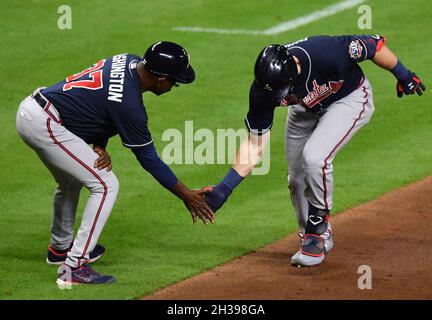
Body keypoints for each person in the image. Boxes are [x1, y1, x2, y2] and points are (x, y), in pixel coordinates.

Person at [203, 35, 425, 267]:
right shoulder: (263, 92)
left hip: (348, 100)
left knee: (315, 158)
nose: (282, 98)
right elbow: (255, 146)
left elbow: (373, 46)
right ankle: (314, 239)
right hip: (305, 111)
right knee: (296, 179)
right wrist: (224, 188)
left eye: (285, 91)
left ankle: (316, 230)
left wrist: (403, 74)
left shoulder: (327, 53)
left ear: (294, 73)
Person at [16, 41, 215, 287]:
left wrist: (99, 145)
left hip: (37, 111)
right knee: (106, 184)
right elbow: (149, 160)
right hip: (46, 123)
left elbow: (101, 104)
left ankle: (60, 249)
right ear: (161, 79)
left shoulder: (128, 60)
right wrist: (186, 195)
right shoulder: (131, 106)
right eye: (174, 80)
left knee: (71, 180)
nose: (175, 85)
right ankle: (74, 266)